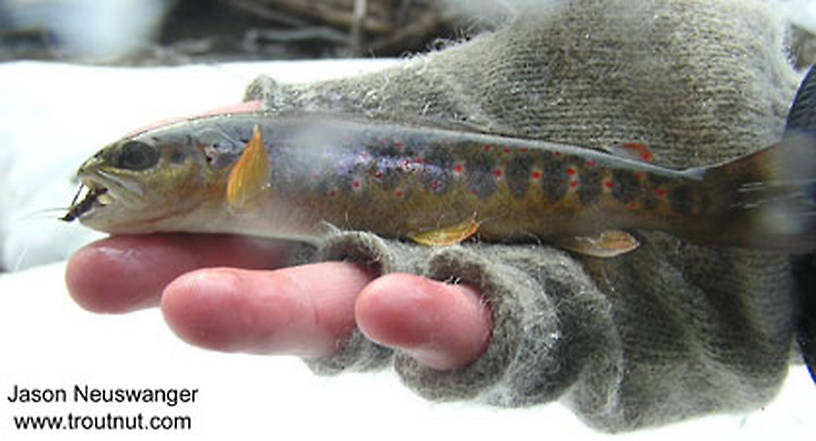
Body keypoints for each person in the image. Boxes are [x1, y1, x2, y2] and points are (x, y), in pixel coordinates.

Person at [64, 0, 810, 432]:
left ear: (216, 155)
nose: (110, 177)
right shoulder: (232, 182)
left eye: (133, 159)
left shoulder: (245, 170)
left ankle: (709, 201)